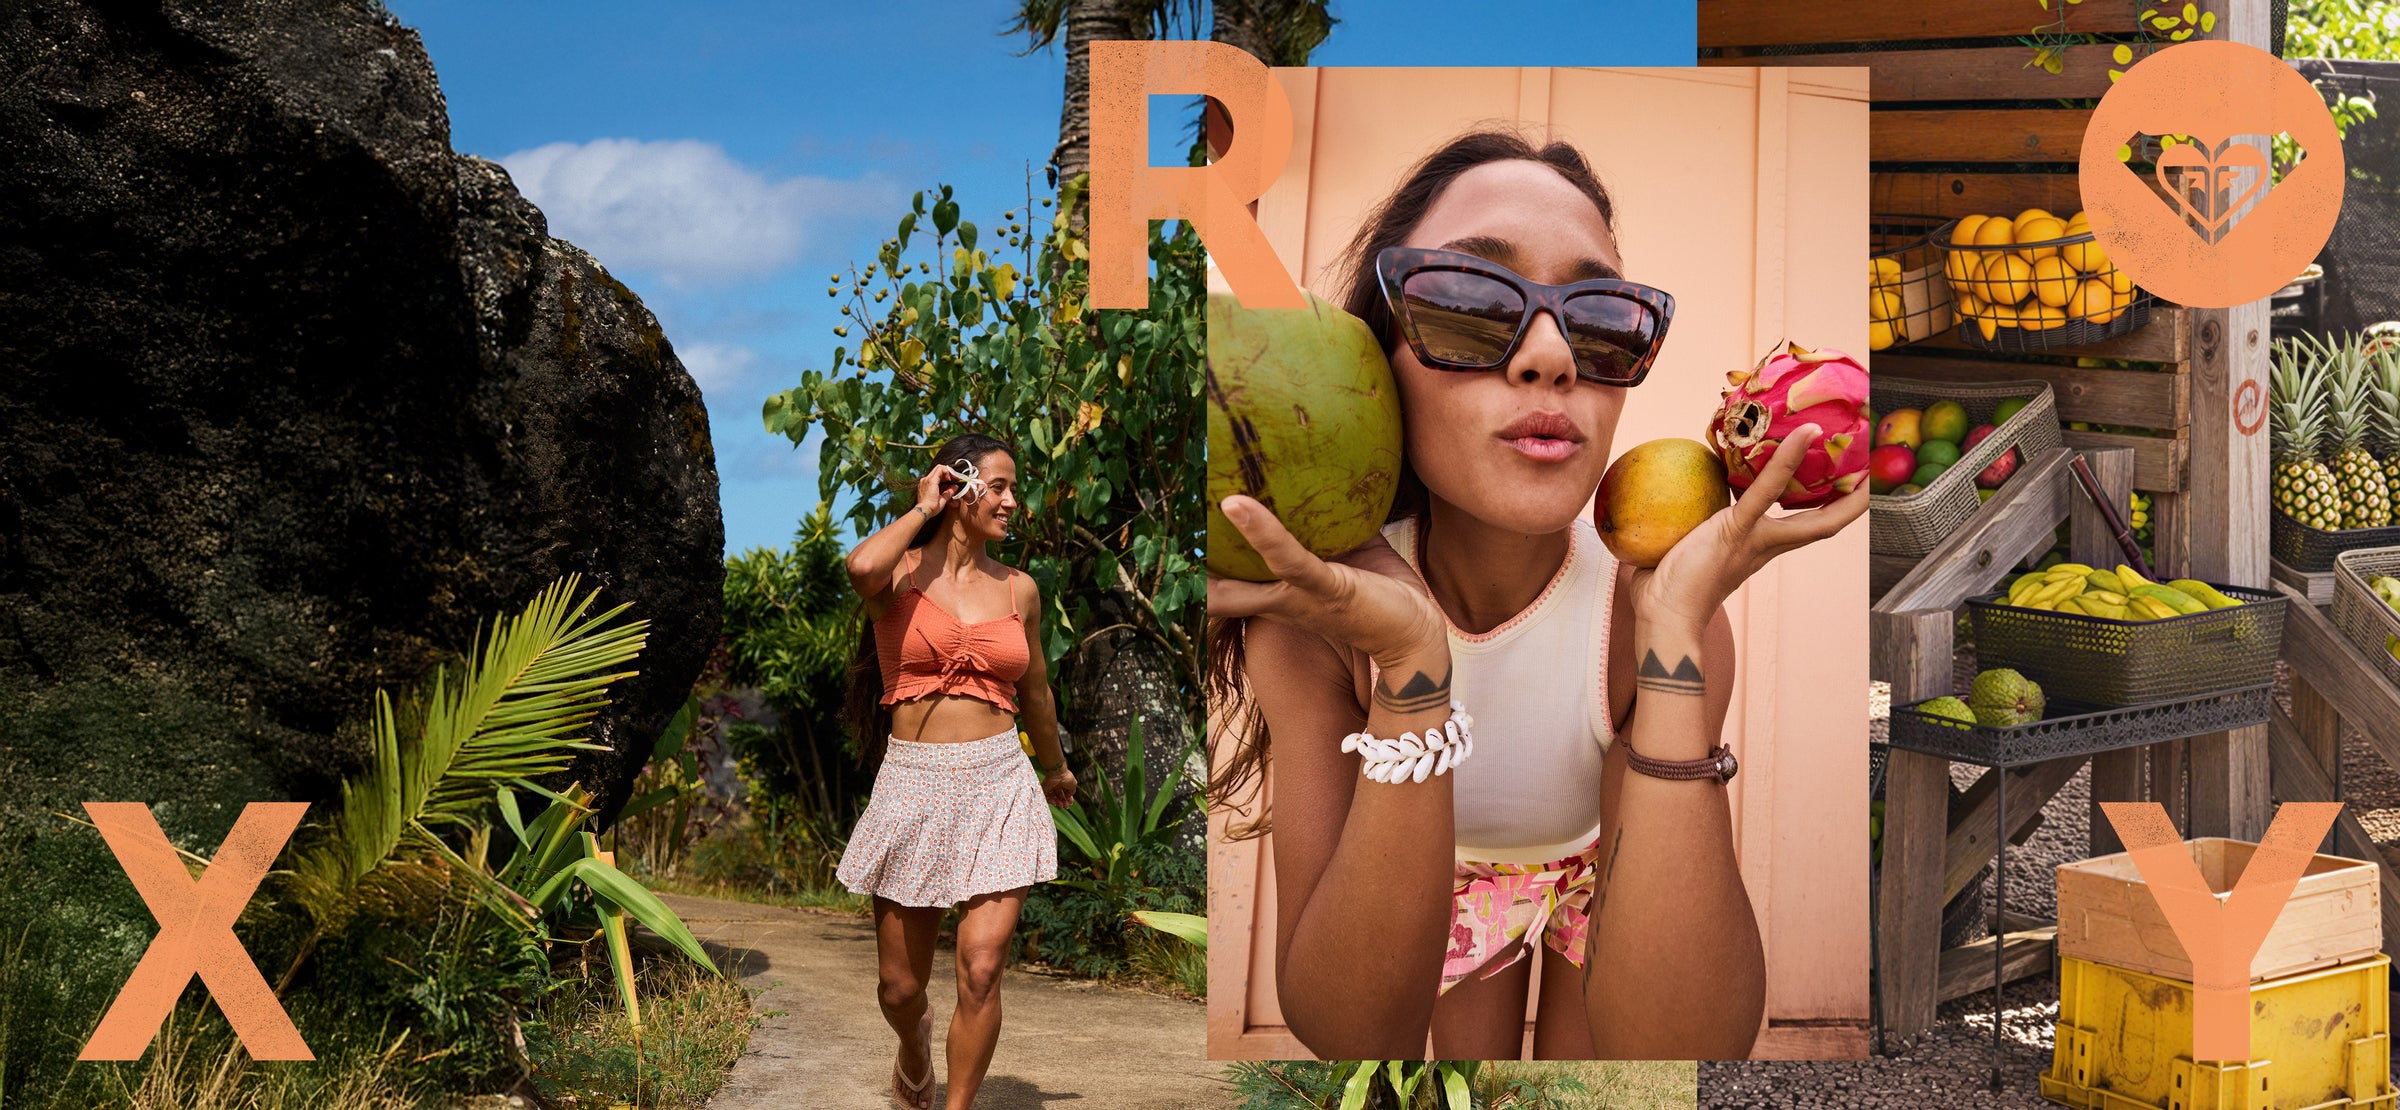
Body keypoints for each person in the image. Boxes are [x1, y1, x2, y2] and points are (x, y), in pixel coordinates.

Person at [1206, 130, 1866, 1061]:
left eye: (1601, 318)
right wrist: (1410, 667)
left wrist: (1673, 635)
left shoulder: (1655, 623)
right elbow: (1351, 1030)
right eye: (1472, 302)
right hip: (1448, 872)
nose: (1551, 355)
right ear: (1377, 356)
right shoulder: (1319, 626)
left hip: (1600, 864)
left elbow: (1685, 1046)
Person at [837, 433, 1078, 1109]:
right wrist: (922, 508)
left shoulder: (1020, 590)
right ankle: (913, 1049)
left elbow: (1035, 691)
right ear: (958, 487)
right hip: (913, 782)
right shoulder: (901, 576)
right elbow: (859, 566)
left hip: (999, 779)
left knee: (981, 967)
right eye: (998, 486)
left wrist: (1054, 768)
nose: (1012, 501)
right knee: (900, 988)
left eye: (1012, 487)